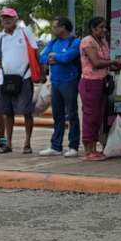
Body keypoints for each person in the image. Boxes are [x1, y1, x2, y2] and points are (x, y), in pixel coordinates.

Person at [0, 8, 38, 154]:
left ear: (16, 19)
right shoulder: (0, 37)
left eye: (9, 17)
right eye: (4, 18)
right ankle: (8, 143)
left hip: (24, 77)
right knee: (7, 112)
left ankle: (27, 142)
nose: (7, 20)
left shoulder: (25, 32)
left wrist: (40, 73)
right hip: (4, 79)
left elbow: (36, 53)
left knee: (26, 111)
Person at [78, 16, 121, 161]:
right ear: (93, 28)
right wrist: (113, 61)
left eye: (106, 27)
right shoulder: (87, 41)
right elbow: (96, 62)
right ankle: (88, 149)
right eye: (101, 27)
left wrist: (116, 66)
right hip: (90, 82)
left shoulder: (103, 43)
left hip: (102, 82)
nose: (104, 30)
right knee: (90, 115)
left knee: (98, 117)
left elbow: (105, 63)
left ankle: (94, 147)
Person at [40, 16, 82, 158]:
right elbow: (42, 57)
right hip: (55, 82)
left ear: (62, 27)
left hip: (69, 82)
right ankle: (56, 145)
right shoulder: (53, 42)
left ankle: (73, 146)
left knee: (72, 114)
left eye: (54, 27)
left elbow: (67, 58)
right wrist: (56, 57)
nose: (53, 29)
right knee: (57, 115)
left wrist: (54, 57)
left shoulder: (75, 42)